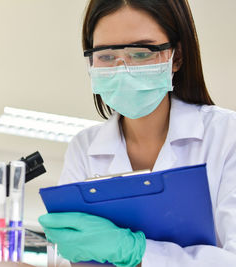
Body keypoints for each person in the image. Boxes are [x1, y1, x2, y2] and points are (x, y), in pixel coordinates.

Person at [38, 0, 236, 266]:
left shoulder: (227, 135)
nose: (123, 70)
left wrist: (135, 252)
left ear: (176, 56)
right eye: (106, 56)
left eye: (142, 53)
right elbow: (70, 258)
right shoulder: (84, 147)